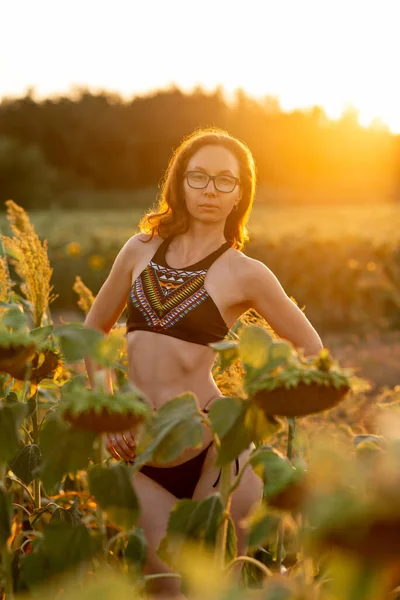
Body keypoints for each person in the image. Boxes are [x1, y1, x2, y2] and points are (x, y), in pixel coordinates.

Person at [83, 127, 323, 598]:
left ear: (240, 194)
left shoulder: (246, 272)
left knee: (212, 590)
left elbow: (311, 348)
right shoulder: (139, 249)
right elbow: (91, 333)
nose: (210, 189)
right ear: (180, 183)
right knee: (164, 585)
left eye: (224, 181)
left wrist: (257, 409)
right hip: (138, 449)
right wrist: (105, 410)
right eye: (199, 177)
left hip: (218, 448)